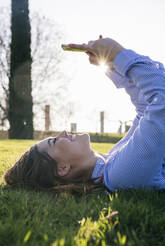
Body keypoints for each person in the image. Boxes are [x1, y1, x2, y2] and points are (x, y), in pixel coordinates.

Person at [4, 36, 165, 193]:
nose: (63, 133)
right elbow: (161, 101)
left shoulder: (113, 159)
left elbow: (145, 109)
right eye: (54, 141)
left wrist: (110, 65)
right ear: (63, 168)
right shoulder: (122, 174)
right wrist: (119, 56)